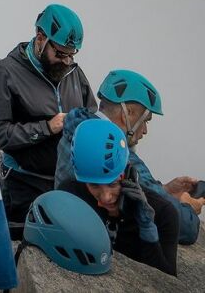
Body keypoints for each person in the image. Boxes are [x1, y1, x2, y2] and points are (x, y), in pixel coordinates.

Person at [54, 68, 201, 244]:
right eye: (146, 120)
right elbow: (184, 227)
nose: (145, 130)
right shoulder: (114, 152)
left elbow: (141, 189)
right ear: (128, 113)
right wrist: (189, 208)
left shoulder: (78, 131)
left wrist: (165, 191)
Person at [0, 3, 96, 233]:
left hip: (67, 186)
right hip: (24, 185)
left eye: (71, 55)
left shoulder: (74, 73)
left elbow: (91, 113)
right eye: (60, 53)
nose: (66, 61)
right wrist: (47, 127)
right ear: (40, 37)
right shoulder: (5, 72)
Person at [62, 117, 179, 275]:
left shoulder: (163, 214)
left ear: (128, 173)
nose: (106, 198)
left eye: (113, 184)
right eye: (94, 185)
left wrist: (147, 230)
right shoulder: (71, 195)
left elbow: (168, 281)